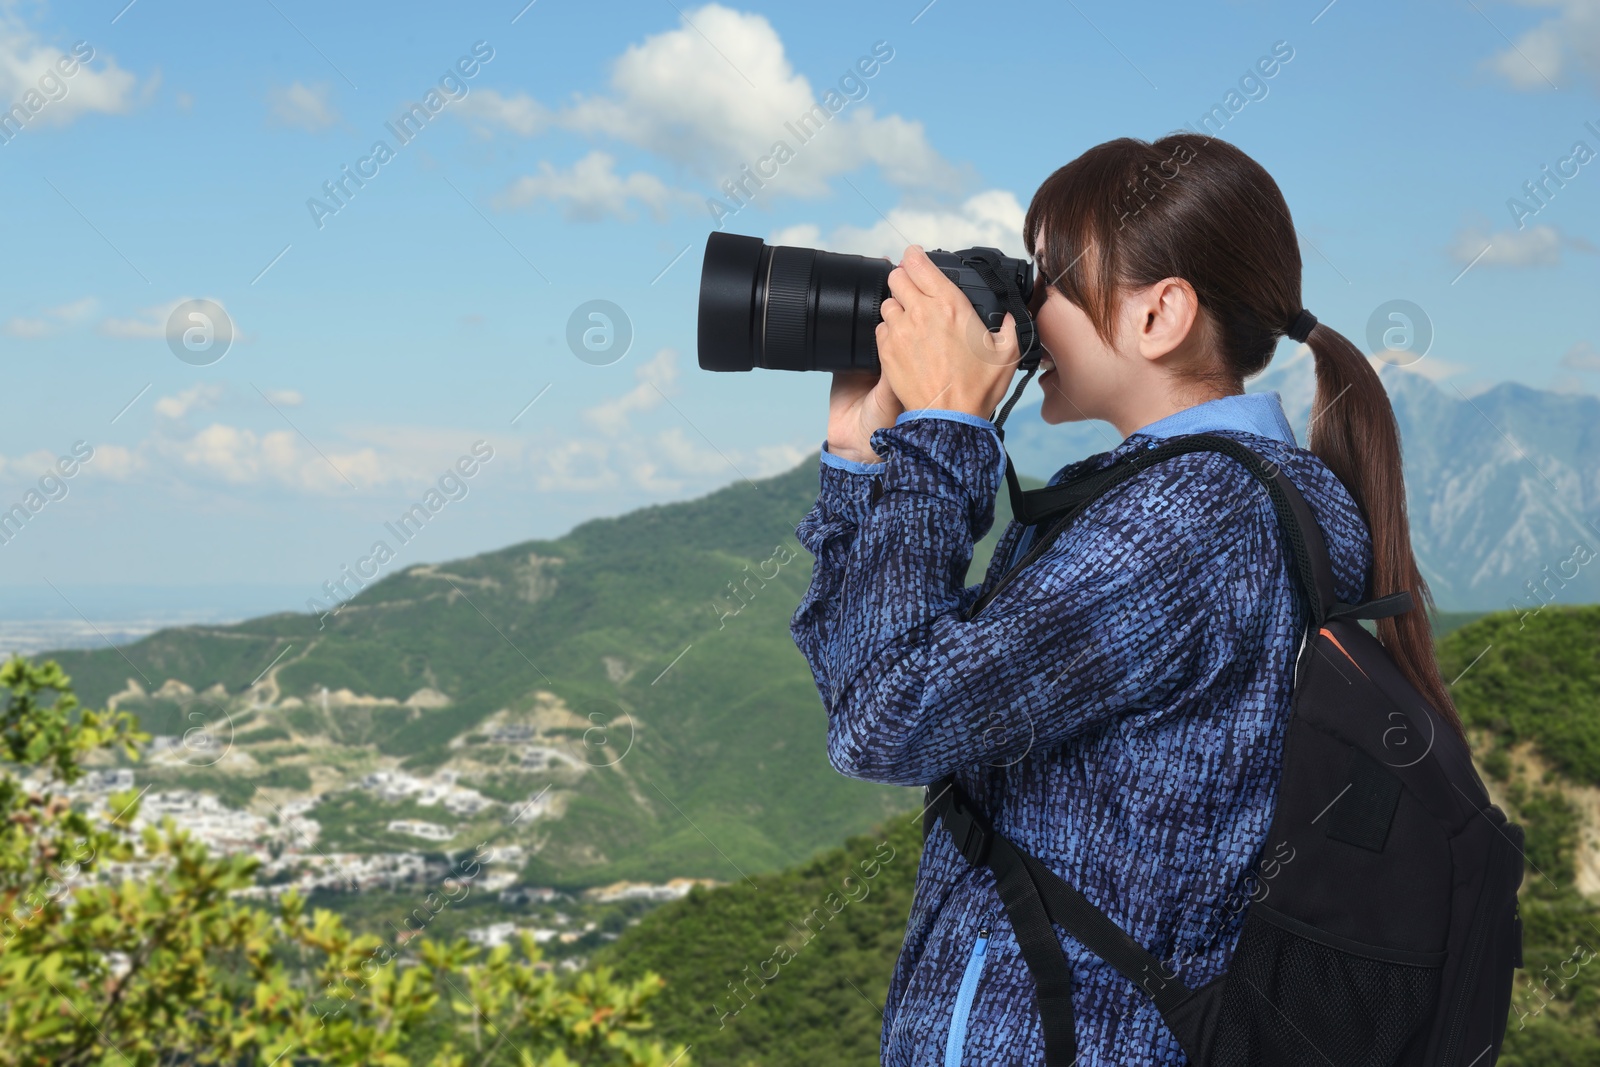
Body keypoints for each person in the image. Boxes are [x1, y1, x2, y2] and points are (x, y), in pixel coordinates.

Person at [788, 134, 1461, 1066]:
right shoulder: (1218, 492)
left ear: (1160, 315)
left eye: (1051, 277)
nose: (1025, 308)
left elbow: (888, 721)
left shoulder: (1191, 521)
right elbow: (874, 681)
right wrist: (866, 462)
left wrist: (944, 434)